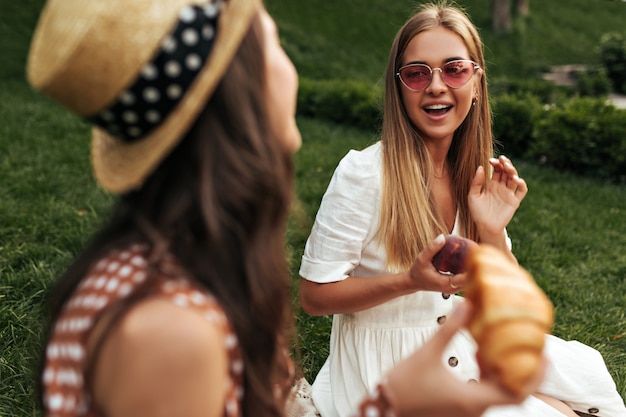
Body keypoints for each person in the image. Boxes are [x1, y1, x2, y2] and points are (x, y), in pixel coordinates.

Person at [27, 0, 548, 416]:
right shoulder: (168, 332)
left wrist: (395, 402)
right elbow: (317, 296)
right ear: (240, 84)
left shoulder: (192, 272)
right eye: (271, 36)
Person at [298, 2, 626, 417]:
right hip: (392, 368)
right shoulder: (364, 174)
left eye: (453, 69)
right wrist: (409, 281)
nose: (436, 86)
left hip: (460, 339)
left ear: (476, 83)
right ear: (399, 88)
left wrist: (491, 230)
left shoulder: (471, 174)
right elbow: (313, 295)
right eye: (417, 73)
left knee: (586, 396)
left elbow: (507, 299)